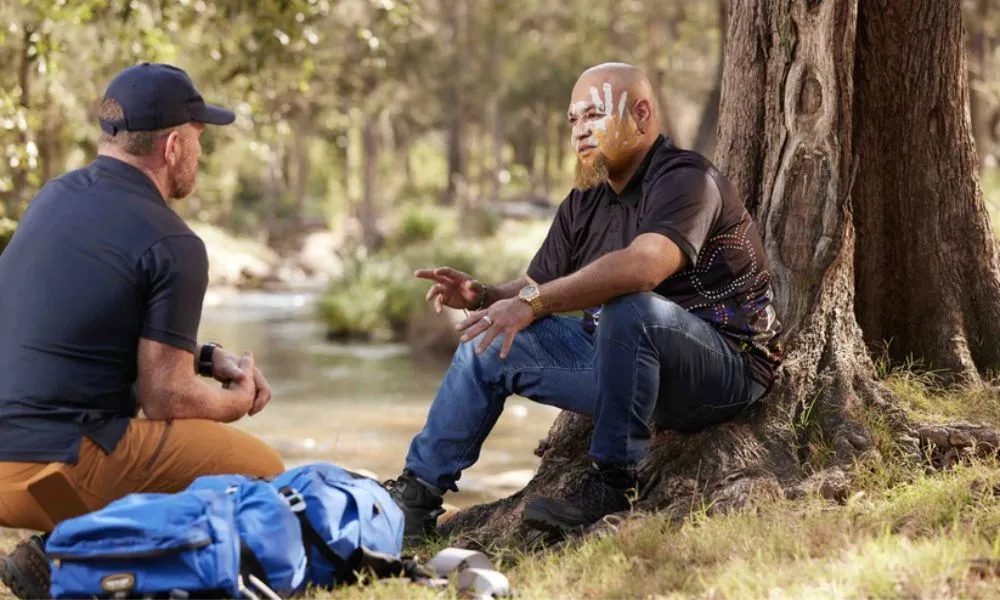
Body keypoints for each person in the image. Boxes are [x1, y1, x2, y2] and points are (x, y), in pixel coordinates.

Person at [384, 62, 782, 538]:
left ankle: (614, 484)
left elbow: (644, 268)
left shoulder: (685, 179)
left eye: (594, 114)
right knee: (490, 338)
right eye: (573, 120)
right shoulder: (584, 201)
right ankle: (416, 499)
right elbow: (533, 287)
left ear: (640, 114)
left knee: (629, 305)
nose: (580, 131)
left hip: (724, 373)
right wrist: (487, 295)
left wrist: (530, 304)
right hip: (629, 374)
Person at [0, 63, 285, 599]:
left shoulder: (53, 198)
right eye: (201, 140)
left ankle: (66, 550)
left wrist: (204, 356)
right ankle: (81, 563)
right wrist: (237, 400)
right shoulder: (173, 242)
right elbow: (165, 398)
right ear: (174, 146)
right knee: (264, 475)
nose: (201, 155)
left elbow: (87, 321)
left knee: (124, 437)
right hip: (46, 473)